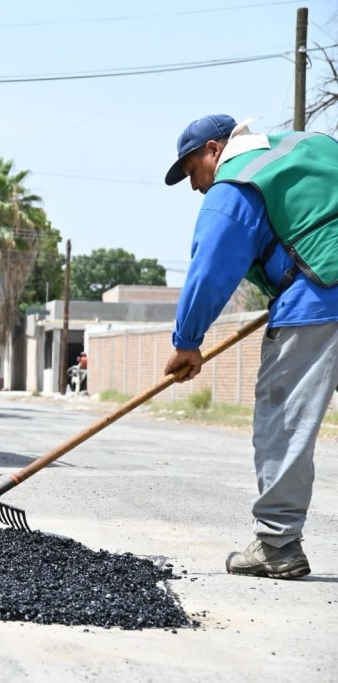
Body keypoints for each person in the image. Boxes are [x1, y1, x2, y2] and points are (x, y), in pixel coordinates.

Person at [163, 114, 338, 580]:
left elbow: (211, 270)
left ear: (215, 150)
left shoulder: (235, 185)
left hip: (321, 296)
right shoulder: (310, 145)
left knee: (283, 416)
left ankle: (277, 544)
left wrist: (187, 342)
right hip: (321, 283)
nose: (194, 186)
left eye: (191, 170)